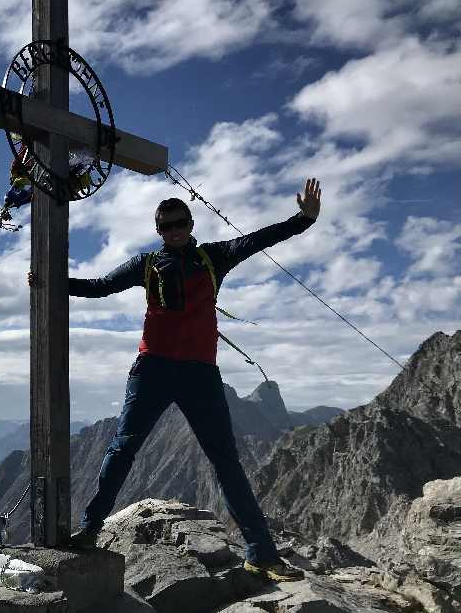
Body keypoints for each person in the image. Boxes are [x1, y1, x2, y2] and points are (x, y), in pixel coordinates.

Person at [32, 179, 321, 582]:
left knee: (225, 462)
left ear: (190, 222)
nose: (174, 231)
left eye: (179, 223)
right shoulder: (146, 264)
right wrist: (51, 283)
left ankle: (261, 553)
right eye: (166, 226)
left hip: (199, 372)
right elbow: (100, 288)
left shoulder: (214, 257)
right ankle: (91, 528)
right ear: (158, 231)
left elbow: (259, 240)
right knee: (123, 448)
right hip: (154, 368)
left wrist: (303, 220)